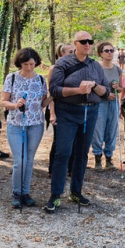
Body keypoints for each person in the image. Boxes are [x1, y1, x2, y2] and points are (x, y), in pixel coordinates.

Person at [46, 31, 110, 212]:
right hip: (67, 112)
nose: (87, 44)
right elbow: (54, 90)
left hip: (90, 112)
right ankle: (55, 195)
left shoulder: (95, 66)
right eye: (83, 41)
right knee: (63, 152)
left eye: (90, 41)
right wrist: (77, 90)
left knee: (82, 154)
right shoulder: (63, 63)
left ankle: (76, 191)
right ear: (75, 43)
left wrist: (94, 86)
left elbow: (106, 92)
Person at [0, 48, 49, 208]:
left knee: (29, 160)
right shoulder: (12, 77)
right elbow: (3, 101)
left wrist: (54, 96)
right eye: (25, 64)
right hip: (16, 124)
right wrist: (15, 105)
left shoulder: (40, 79)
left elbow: (43, 103)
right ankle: (16, 192)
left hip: (36, 124)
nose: (29, 67)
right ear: (20, 63)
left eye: (32, 64)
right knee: (20, 160)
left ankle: (25, 192)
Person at [91, 41, 123, 171]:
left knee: (112, 130)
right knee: (98, 130)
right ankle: (97, 157)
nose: (110, 53)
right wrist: (105, 94)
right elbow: (93, 86)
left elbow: (121, 89)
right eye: (107, 51)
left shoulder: (117, 69)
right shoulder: (96, 68)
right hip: (100, 103)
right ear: (101, 53)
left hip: (114, 103)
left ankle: (109, 158)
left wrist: (117, 87)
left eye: (111, 50)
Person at [47, 43, 75, 177]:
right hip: (57, 108)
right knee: (59, 140)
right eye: (70, 52)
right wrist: (52, 113)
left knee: (74, 139)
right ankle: (54, 169)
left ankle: (71, 168)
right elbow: (51, 93)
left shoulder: (76, 68)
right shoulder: (54, 68)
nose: (73, 54)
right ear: (62, 54)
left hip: (72, 108)